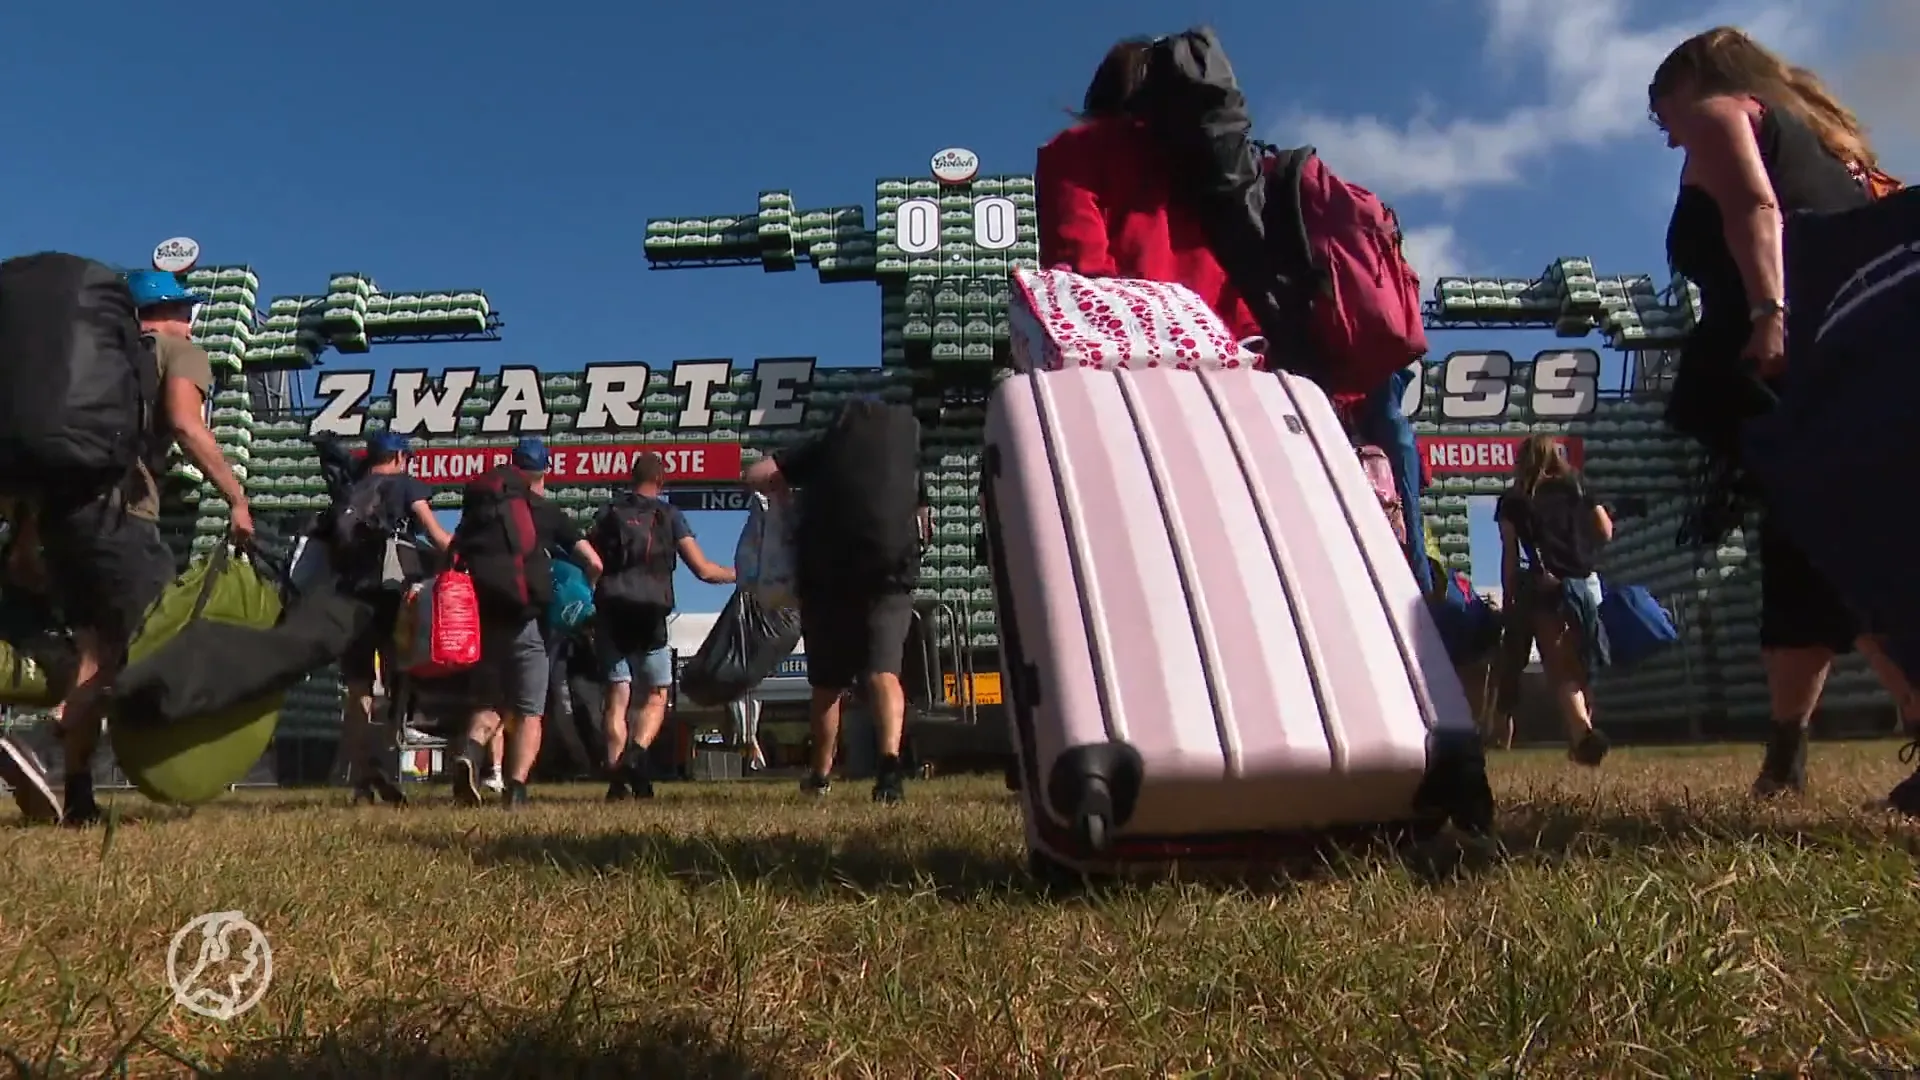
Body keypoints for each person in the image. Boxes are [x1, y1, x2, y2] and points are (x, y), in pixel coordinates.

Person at [1650, 26, 1920, 811]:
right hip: (1842, 354)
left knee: (1831, 539)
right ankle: (1784, 759)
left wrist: (1769, 314)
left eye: (1659, 110)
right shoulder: (1828, 143)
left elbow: (1755, 209)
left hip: (1766, 358)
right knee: (1800, 545)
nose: (1667, 133)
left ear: (1690, 82)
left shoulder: (1719, 112)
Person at [0, 271, 254, 825]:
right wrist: (236, 497)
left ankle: (78, 796)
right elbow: (187, 426)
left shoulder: (87, 366)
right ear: (175, 312)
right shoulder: (178, 351)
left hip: (58, 522)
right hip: (122, 518)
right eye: (186, 311)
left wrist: (24, 540)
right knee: (154, 644)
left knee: (95, 655)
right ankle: (44, 747)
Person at [744, 398, 923, 803]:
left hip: (829, 578)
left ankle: (820, 775)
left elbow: (756, 475)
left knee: (827, 685)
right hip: (891, 573)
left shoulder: (825, 447)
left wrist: (783, 485)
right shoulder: (903, 460)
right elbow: (922, 514)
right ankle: (890, 768)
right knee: (883, 673)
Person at [448, 440, 600, 807]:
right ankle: (516, 791)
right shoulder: (546, 512)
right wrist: (582, 598)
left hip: (484, 620)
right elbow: (594, 563)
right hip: (528, 621)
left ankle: (470, 751)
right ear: (543, 472)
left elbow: (452, 554)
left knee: (490, 701)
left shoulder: (481, 510)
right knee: (531, 710)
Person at [590, 452, 733, 800]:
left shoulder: (609, 514)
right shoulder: (669, 516)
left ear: (630, 477)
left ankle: (617, 780)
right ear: (662, 480)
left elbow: (591, 560)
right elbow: (703, 569)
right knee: (656, 695)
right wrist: (742, 576)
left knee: (616, 698)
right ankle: (635, 757)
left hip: (612, 611)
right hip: (651, 614)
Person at [331, 431, 452, 807]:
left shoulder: (353, 488)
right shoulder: (405, 486)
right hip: (393, 593)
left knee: (358, 689)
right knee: (398, 683)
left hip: (350, 595)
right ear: (400, 457)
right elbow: (435, 534)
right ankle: (384, 762)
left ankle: (361, 781)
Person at [1495, 436, 1613, 766]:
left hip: (1547, 587)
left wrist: (1509, 597)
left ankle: (1582, 734)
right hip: (1586, 582)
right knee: (1585, 665)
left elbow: (1509, 554)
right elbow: (1605, 530)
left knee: (1562, 670)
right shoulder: (1577, 486)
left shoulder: (1513, 500)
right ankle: (1584, 737)